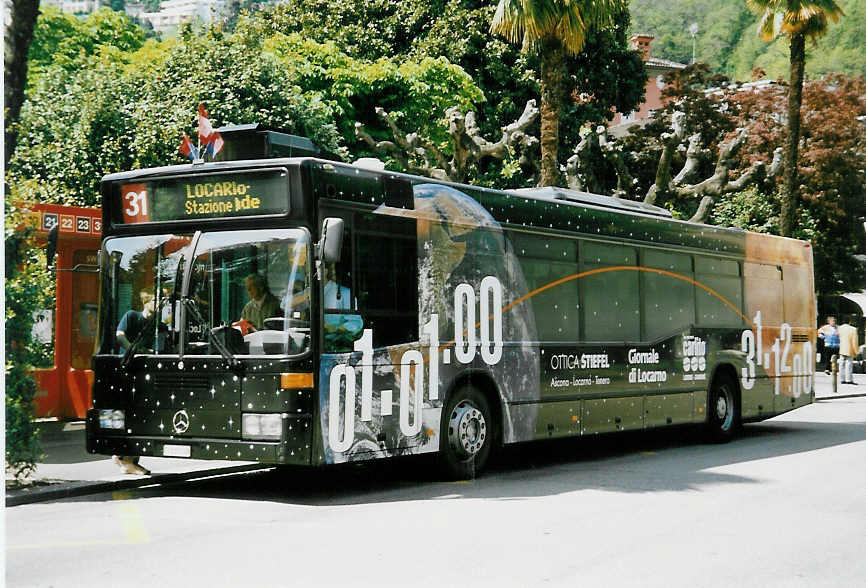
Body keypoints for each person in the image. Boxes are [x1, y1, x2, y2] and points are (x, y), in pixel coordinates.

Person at [114, 290, 154, 475]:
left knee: (139, 412)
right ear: (146, 302)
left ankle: (127, 459)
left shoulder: (156, 324)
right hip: (127, 369)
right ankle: (126, 460)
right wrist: (133, 350)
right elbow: (119, 336)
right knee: (131, 411)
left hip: (142, 371)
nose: (159, 305)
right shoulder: (131, 316)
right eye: (155, 301)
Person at [322, 262, 363, 351]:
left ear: (324, 271)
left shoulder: (345, 293)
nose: (308, 275)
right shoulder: (307, 294)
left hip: (335, 348)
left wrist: (334, 329)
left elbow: (355, 324)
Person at [838, 316, 859, 385]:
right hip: (849, 349)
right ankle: (848, 379)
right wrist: (856, 351)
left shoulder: (839, 328)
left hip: (842, 348)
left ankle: (842, 379)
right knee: (849, 364)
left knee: (841, 364)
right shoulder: (853, 329)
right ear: (849, 322)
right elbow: (854, 341)